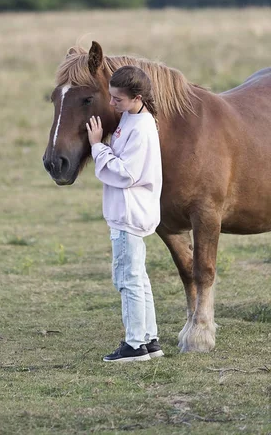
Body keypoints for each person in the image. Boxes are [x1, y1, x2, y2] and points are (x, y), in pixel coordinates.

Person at [86, 65, 164, 362]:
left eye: (117, 99)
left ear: (137, 97)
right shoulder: (131, 119)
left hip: (129, 213)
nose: (111, 104)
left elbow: (126, 173)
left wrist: (97, 147)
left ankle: (134, 345)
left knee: (127, 278)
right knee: (138, 277)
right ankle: (149, 339)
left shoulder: (141, 127)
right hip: (128, 210)